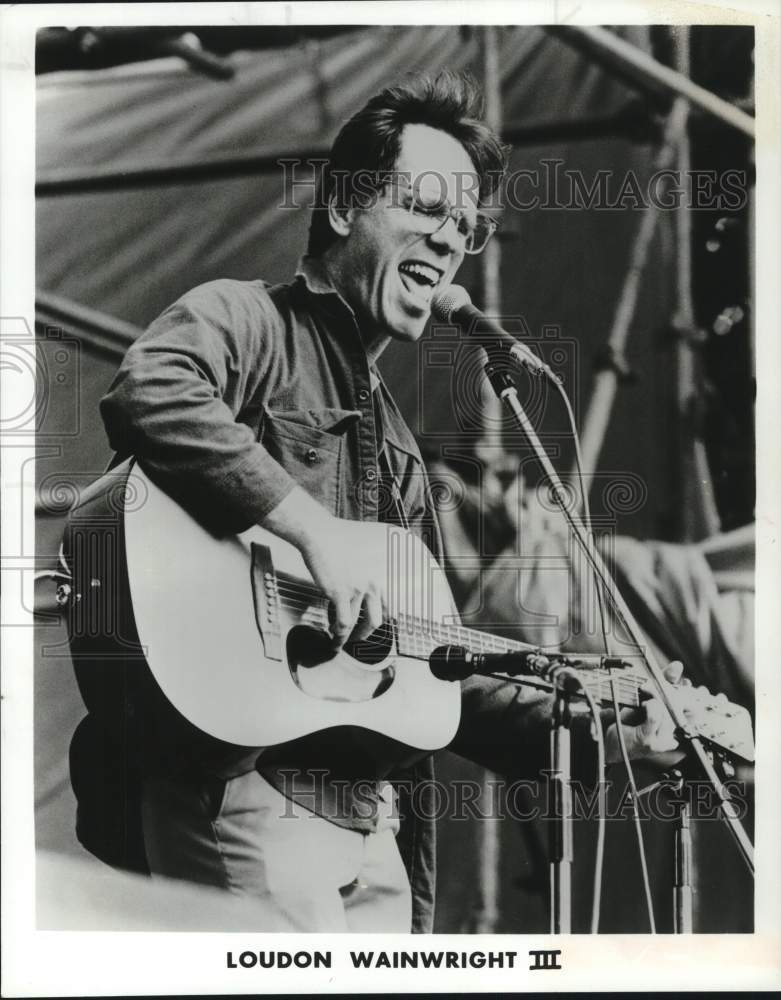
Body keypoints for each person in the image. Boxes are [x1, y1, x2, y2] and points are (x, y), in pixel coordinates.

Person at [69, 72, 682, 933]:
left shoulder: (397, 444)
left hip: (379, 826)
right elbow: (153, 390)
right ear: (347, 204)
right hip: (249, 790)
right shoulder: (247, 321)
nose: (448, 241)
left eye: (466, 230)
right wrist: (311, 530)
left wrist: (613, 730)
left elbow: (435, 669)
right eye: (426, 209)